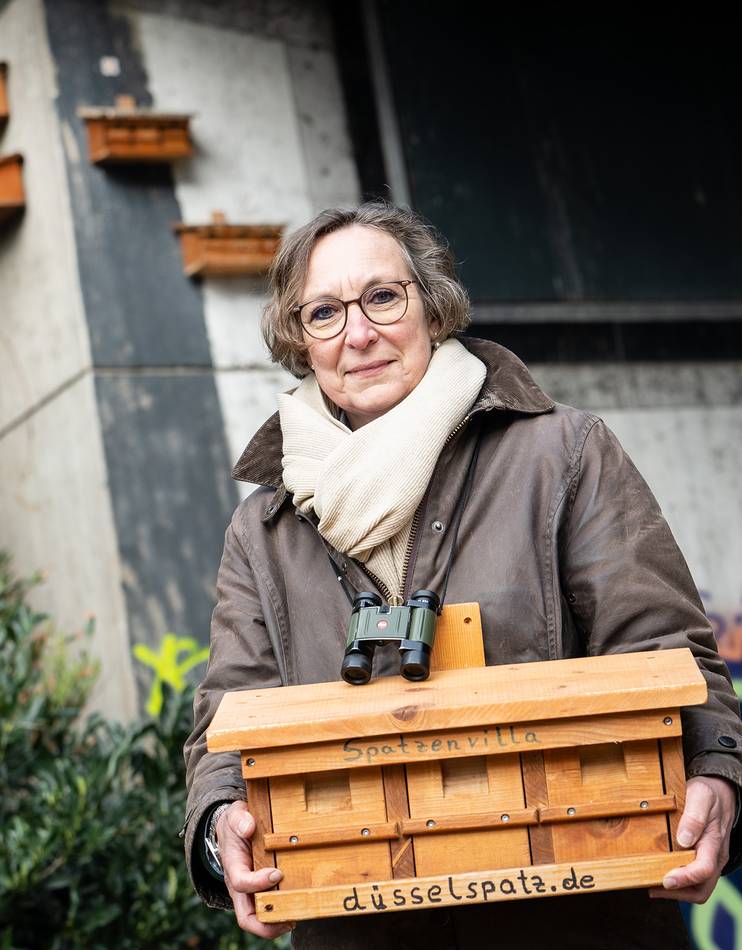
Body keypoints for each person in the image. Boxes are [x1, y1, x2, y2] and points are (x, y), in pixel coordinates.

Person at [183, 202, 742, 948]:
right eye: (323, 313)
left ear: (434, 309)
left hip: (581, 916)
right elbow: (229, 720)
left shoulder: (563, 452)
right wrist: (223, 827)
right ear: (299, 340)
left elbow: (665, 649)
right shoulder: (263, 527)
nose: (359, 333)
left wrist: (714, 776)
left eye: (383, 297)